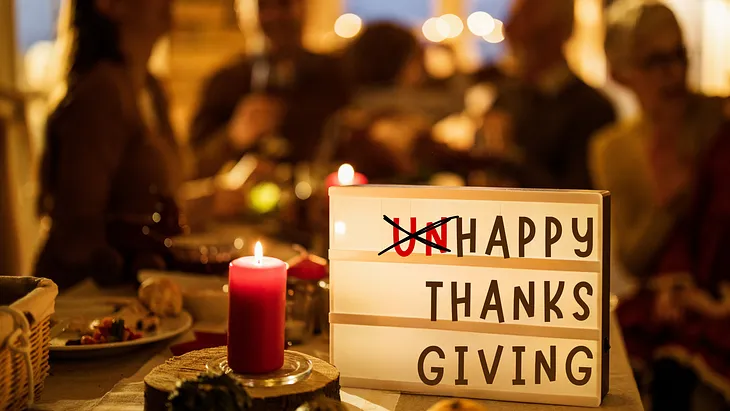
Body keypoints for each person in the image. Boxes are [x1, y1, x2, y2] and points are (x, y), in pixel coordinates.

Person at [590, 2, 730, 409]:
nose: (673, 73)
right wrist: (668, 203)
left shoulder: (719, 118)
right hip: (662, 306)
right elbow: (633, 259)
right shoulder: (612, 148)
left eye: (679, 56)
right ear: (620, 73)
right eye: (654, 61)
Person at [35, 0, 182, 289]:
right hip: (80, 302)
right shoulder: (101, 94)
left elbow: (152, 210)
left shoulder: (151, 88)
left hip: (131, 289)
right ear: (109, 5)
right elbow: (76, 237)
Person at [190, 0, 349, 179]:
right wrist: (232, 137)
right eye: (263, 6)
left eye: (284, 5)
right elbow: (193, 166)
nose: (274, 16)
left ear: (304, 8)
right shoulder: (224, 82)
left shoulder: (335, 75)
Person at [480, 0, 616, 189]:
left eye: (524, 20)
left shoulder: (591, 110)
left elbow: (580, 201)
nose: (510, 31)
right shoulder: (507, 97)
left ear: (558, 32)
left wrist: (509, 157)